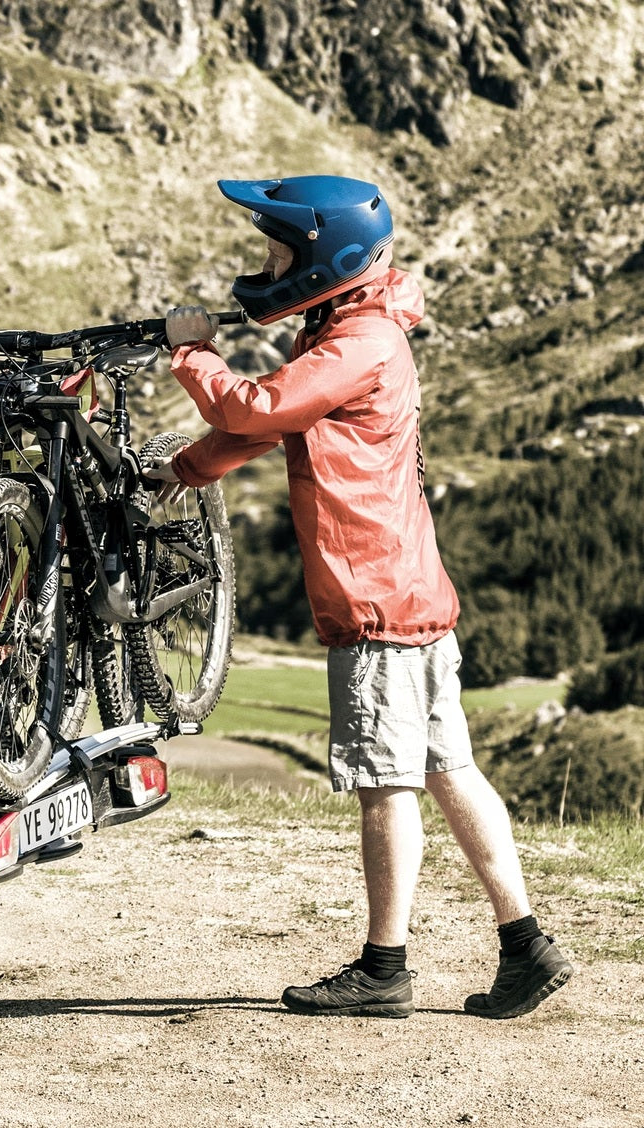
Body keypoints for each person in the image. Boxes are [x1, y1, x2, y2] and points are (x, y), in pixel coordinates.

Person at [146, 175, 573, 1019]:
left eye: (278, 251)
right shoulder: (353, 331)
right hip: (409, 593)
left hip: (373, 600)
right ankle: (526, 946)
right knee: (450, 769)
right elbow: (276, 423)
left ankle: (384, 969)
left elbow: (256, 406)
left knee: (386, 785)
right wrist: (185, 470)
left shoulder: (361, 341)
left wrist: (191, 352)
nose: (268, 264)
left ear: (326, 258)